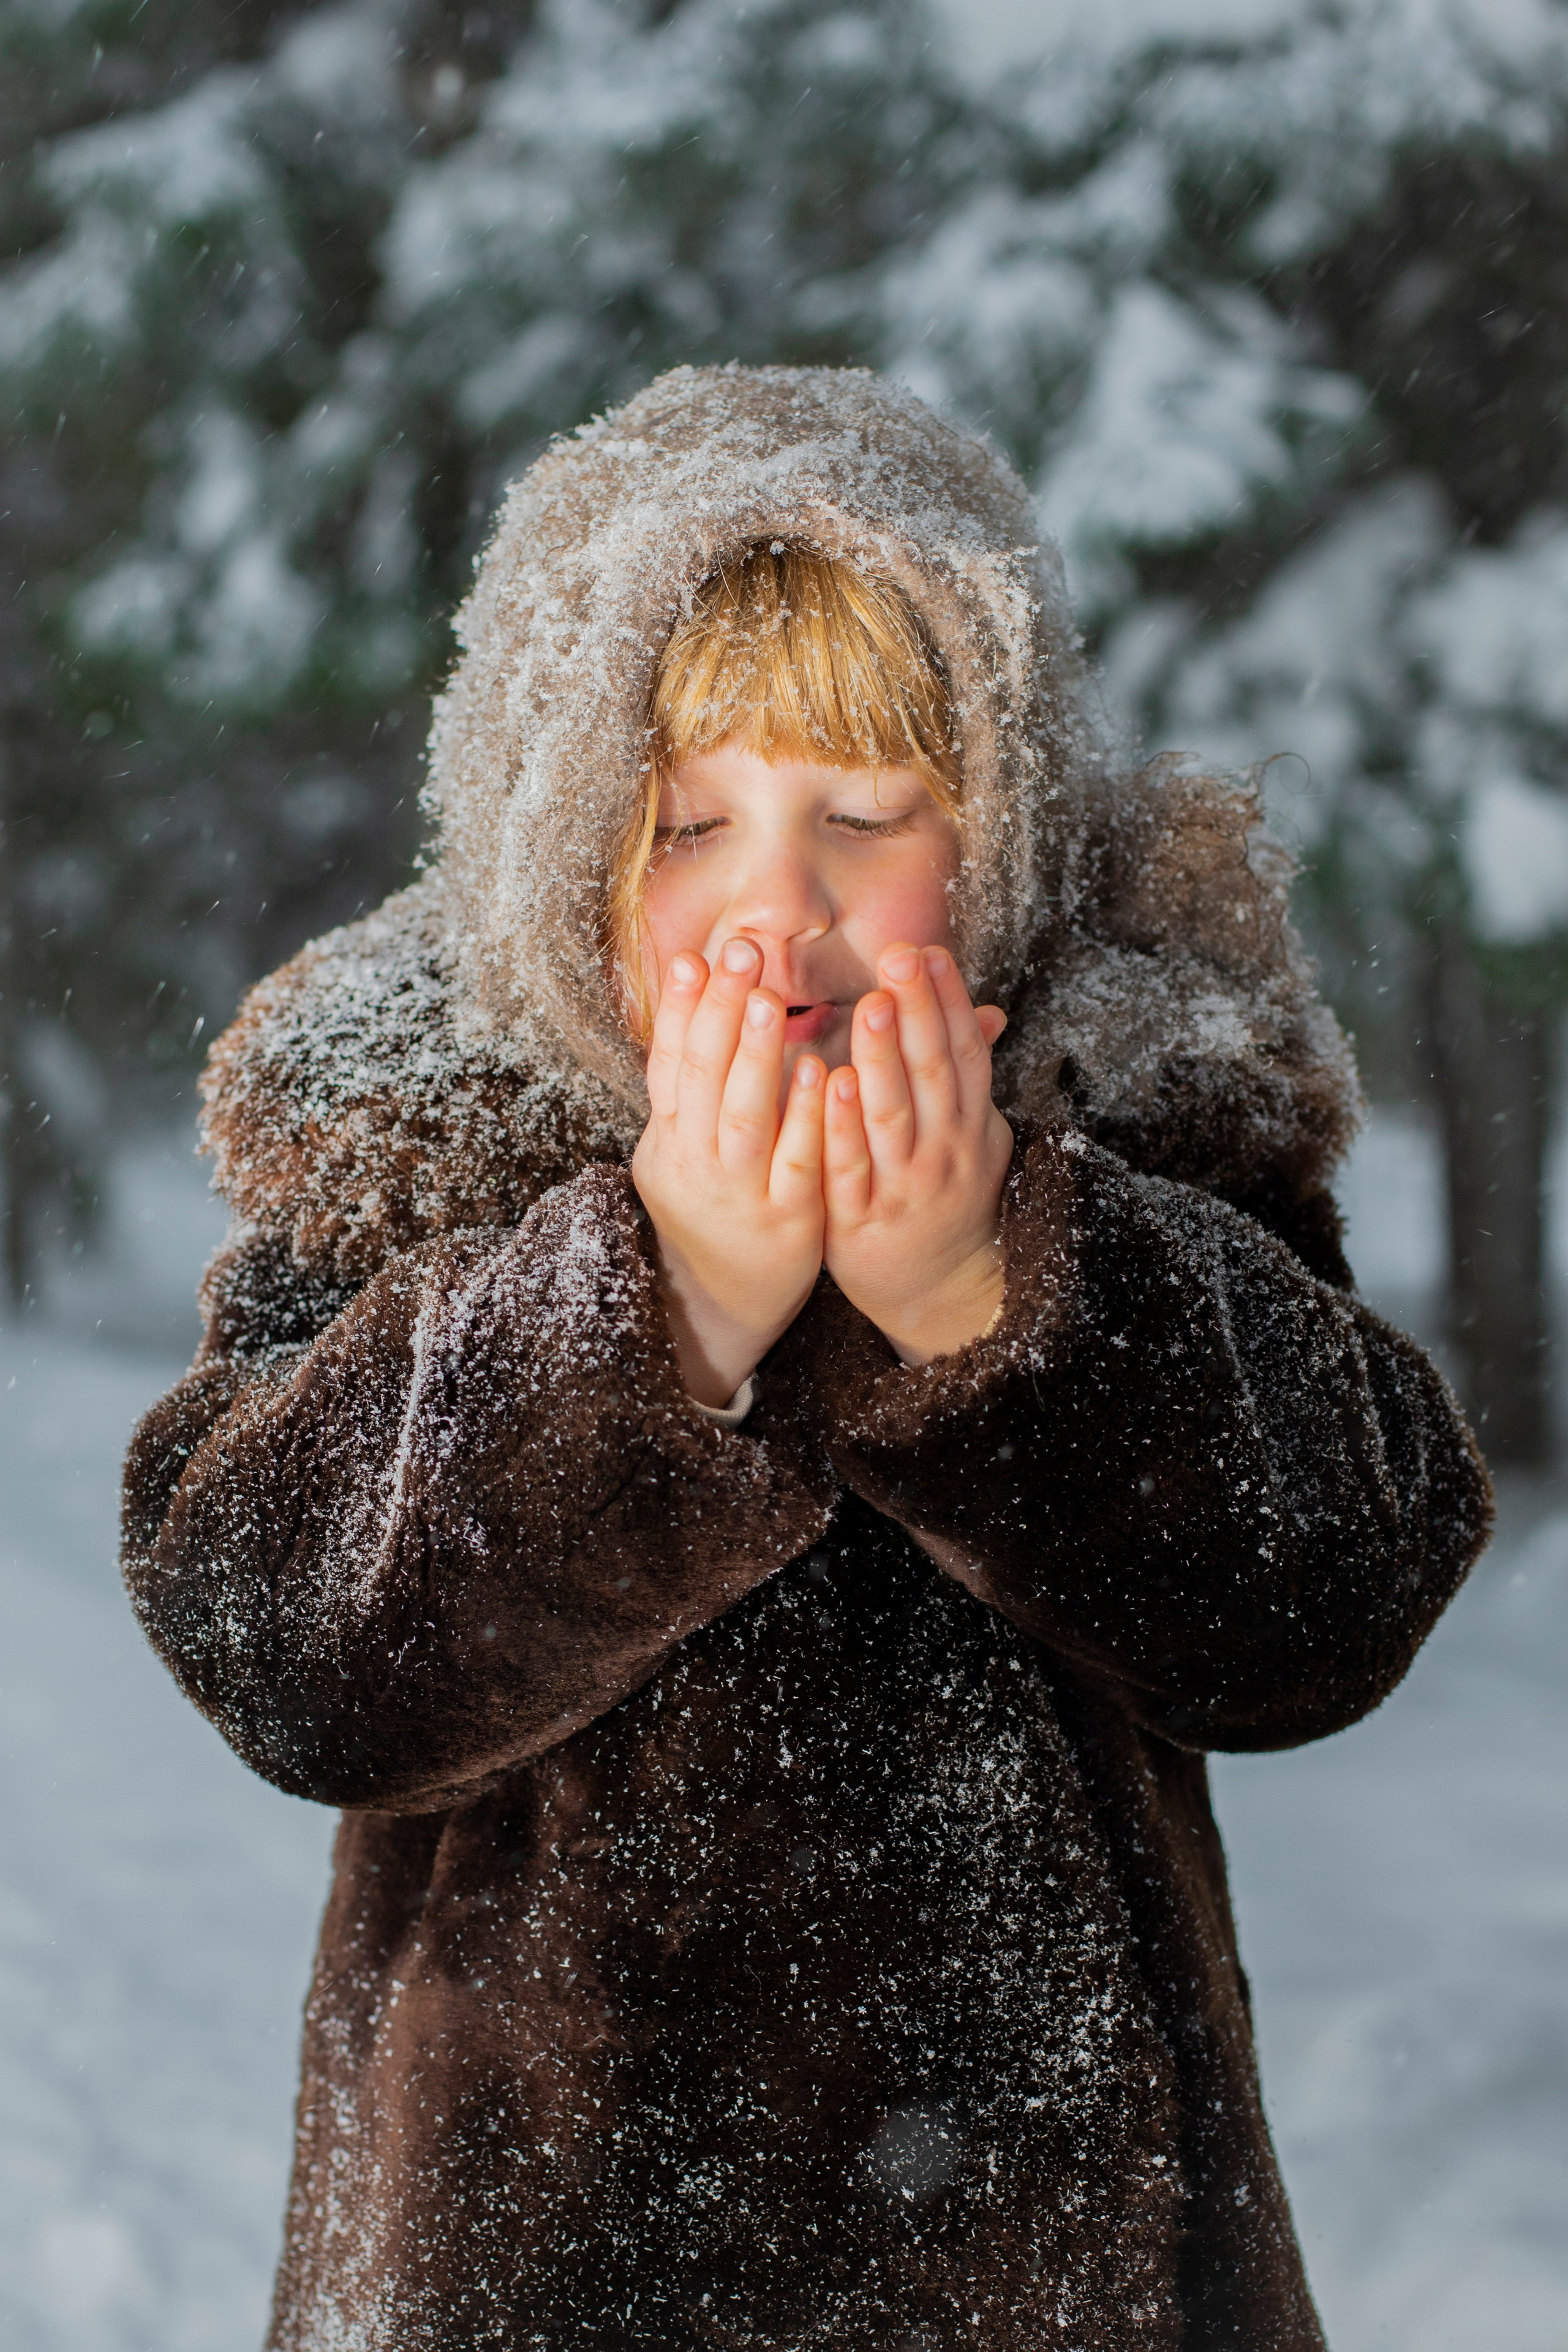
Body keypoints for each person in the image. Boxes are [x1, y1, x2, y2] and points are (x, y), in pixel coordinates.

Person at [123, 364, 1491, 2352]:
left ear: (1001, 837)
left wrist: (988, 1295)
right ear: (556, 859)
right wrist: (653, 1299)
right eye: (690, 827)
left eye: (867, 813)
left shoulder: (1142, 1130)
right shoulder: (419, 1159)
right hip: (521, 2271)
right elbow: (279, 1640)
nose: (784, 905)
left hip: (1066, 2275)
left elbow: (1330, 1602)